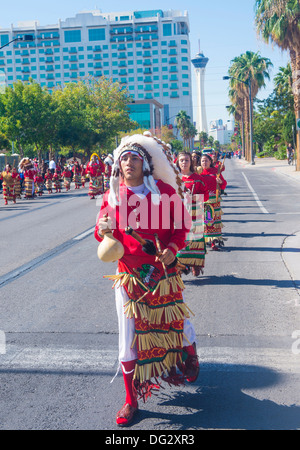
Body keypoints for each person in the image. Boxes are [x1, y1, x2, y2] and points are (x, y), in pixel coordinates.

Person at [95, 132, 199, 427]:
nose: (128, 163)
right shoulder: (113, 195)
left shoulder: (164, 191)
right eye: (123, 158)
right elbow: (100, 235)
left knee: (176, 324)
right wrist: (103, 229)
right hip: (129, 276)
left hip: (163, 273)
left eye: (134, 158)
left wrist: (173, 249)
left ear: (145, 164)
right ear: (118, 165)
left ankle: (190, 352)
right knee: (127, 338)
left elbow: (182, 227)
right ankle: (131, 400)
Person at [176, 151, 209, 277]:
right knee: (179, 241)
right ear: (178, 162)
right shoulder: (174, 178)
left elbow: (206, 195)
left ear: (191, 162)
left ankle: (196, 263)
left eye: (186, 160)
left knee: (195, 241)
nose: (184, 162)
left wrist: (195, 197)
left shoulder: (198, 179)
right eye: (182, 160)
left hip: (195, 214)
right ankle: (178, 266)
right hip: (178, 215)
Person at [200, 154, 227, 251]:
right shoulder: (198, 173)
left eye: (206, 160)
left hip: (214, 201)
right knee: (204, 222)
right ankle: (202, 242)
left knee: (213, 222)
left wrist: (220, 182)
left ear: (210, 162)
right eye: (202, 161)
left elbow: (224, 184)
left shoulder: (216, 172)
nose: (204, 162)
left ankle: (213, 242)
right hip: (202, 201)